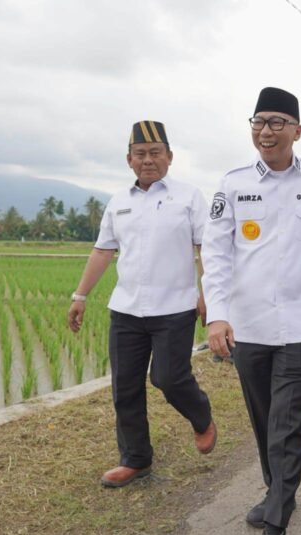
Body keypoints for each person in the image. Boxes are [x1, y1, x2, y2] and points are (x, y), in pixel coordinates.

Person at [201, 87, 301, 535]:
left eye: (277, 122)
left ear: (297, 131)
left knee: (286, 421)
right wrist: (217, 315)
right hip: (249, 326)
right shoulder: (234, 183)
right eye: (259, 122)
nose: (266, 131)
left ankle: (277, 519)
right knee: (264, 418)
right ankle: (277, 489)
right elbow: (217, 253)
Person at [67, 121, 216, 489]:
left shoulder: (190, 196)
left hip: (175, 307)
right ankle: (136, 459)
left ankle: (201, 416)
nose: (148, 160)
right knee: (125, 386)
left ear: (169, 157)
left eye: (155, 153)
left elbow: (205, 249)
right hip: (127, 309)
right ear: (129, 160)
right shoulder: (119, 202)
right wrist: (80, 296)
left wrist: (207, 294)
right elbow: (103, 250)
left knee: (168, 377)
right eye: (140, 154)